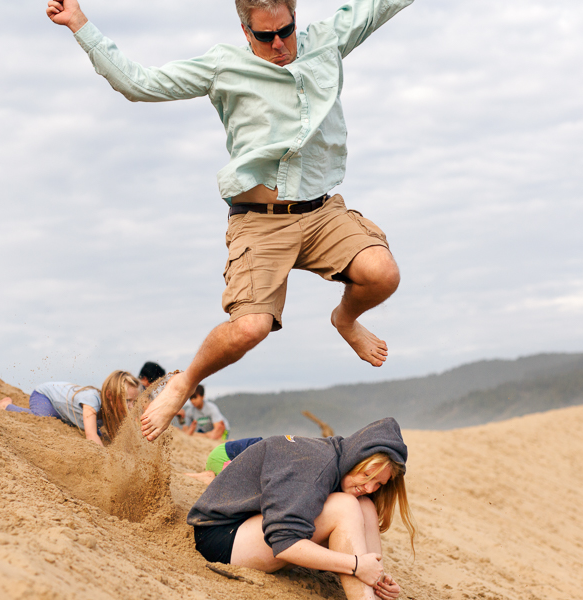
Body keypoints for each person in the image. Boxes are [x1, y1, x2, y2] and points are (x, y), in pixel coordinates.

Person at [46, 0, 413, 441]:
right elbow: (139, 84)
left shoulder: (327, 41)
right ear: (245, 32)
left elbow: (381, 4)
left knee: (383, 274)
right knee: (250, 328)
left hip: (320, 212)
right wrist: (80, 24)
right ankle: (183, 382)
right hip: (260, 222)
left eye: (286, 30)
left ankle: (346, 320)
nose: (279, 43)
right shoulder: (224, 66)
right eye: (265, 36)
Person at [187, 418, 415, 600]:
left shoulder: (337, 461)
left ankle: (376, 587)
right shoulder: (316, 467)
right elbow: (284, 542)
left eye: (379, 483)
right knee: (345, 507)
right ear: (357, 456)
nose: (369, 487)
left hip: (250, 525)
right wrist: (356, 566)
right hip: (220, 537)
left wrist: (378, 576)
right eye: (367, 475)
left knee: (364, 505)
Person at [0, 370, 140, 447]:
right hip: (45, 396)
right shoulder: (92, 400)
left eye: (134, 401)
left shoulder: (112, 410)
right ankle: (5, 405)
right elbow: (91, 435)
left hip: (64, 409)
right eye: (127, 401)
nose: (131, 406)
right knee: (43, 419)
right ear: (110, 396)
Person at [185, 436, 263, 485]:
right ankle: (209, 477)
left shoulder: (264, 445)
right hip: (222, 459)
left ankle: (208, 474)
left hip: (218, 455)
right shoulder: (264, 450)